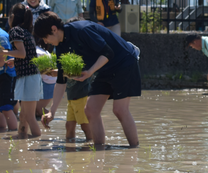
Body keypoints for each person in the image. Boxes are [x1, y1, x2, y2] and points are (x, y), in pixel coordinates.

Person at [34, 12, 140, 147]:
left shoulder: (81, 30)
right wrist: (52, 112)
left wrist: (90, 71)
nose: (45, 41)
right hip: (105, 68)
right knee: (90, 110)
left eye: (44, 37)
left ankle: (134, 151)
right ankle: (99, 150)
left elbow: (108, 52)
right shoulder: (60, 46)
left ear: (54, 29)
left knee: (119, 110)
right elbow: (61, 80)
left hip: (124, 61)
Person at [0, 3, 42, 138]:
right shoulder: (26, 31)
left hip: (28, 77)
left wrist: (3, 52)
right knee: (23, 115)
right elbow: (25, 55)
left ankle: (37, 143)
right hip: (32, 76)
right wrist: (14, 60)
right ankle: (22, 140)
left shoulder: (15, 31)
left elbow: (21, 53)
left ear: (12, 16)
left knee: (29, 116)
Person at [43, 74, 94, 142]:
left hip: (83, 96)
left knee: (85, 126)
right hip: (71, 97)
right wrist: (51, 111)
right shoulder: (63, 67)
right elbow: (60, 82)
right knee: (69, 126)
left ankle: (92, 147)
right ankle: (70, 148)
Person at [36, 40, 56, 119]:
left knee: (39, 109)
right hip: (50, 82)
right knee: (35, 111)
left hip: (47, 83)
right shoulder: (43, 51)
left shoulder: (38, 52)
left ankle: (51, 118)